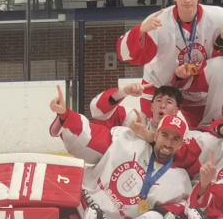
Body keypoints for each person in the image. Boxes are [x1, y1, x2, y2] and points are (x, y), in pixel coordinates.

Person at [50, 90, 191, 219]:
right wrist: (66, 115)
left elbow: (181, 208)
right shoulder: (128, 138)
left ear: (181, 144)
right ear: (156, 135)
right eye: (164, 135)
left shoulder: (179, 181)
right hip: (78, 201)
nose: (168, 143)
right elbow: (91, 135)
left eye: (175, 139)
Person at [118, 0, 223, 125]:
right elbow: (125, 54)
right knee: (156, 135)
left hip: (201, 93)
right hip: (160, 90)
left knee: (201, 137)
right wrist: (141, 31)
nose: (187, 0)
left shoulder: (219, 17)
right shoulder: (157, 20)